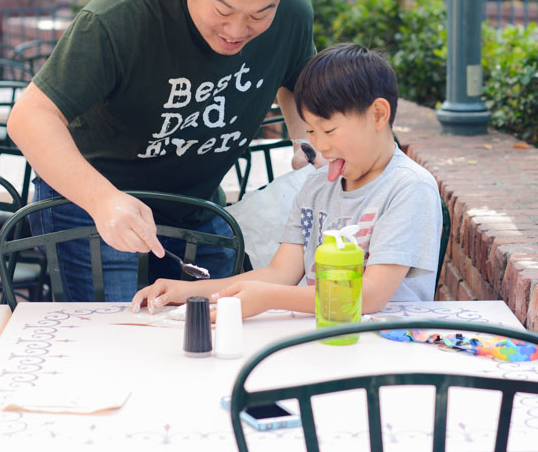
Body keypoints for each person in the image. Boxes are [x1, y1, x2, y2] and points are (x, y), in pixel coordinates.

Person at [7, 0, 318, 302]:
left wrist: (304, 141)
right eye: (222, 9)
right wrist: (104, 200)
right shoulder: (126, 12)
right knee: (118, 334)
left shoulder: (293, 12)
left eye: (260, 15)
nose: (237, 30)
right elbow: (30, 116)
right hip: (89, 199)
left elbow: (297, 79)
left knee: (213, 328)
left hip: (196, 204)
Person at [131, 44, 443, 319]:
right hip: (321, 339)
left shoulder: (409, 188)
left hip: (388, 347)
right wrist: (186, 291)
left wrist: (269, 299)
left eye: (329, 131)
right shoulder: (318, 186)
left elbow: (371, 295)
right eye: (310, 132)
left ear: (377, 115)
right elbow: (280, 273)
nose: (319, 145)